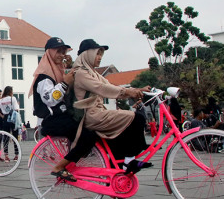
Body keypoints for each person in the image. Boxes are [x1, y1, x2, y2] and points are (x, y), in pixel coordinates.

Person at [71, 39, 152, 174]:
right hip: (92, 116)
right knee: (137, 118)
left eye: (101, 55)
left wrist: (137, 90)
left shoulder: (93, 73)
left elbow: (111, 86)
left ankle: (116, 170)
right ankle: (130, 159)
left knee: (123, 131)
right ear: (87, 55)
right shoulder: (81, 73)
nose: (100, 58)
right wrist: (129, 92)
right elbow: (103, 88)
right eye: (97, 54)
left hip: (99, 113)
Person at [29, 36, 97, 180]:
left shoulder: (58, 71)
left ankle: (74, 160)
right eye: (58, 51)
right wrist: (65, 83)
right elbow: (50, 99)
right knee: (88, 135)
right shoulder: (44, 76)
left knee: (90, 129)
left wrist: (69, 69)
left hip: (61, 117)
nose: (61, 55)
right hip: (51, 120)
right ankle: (61, 166)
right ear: (49, 53)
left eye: (63, 52)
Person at [0, 86, 21, 161]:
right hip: (13, 118)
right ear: (10, 91)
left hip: (5, 118)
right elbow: (16, 109)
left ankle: (6, 155)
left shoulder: (1, 100)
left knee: (6, 137)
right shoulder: (13, 98)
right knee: (15, 137)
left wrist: (1, 115)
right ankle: (16, 155)